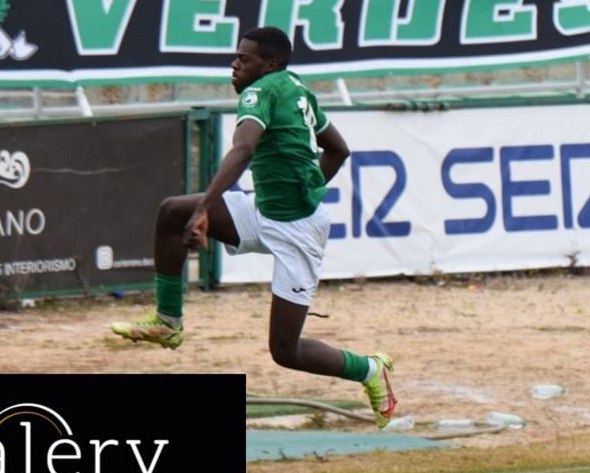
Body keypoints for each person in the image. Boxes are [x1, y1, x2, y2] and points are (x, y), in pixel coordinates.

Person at [110, 26, 398, 429]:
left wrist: (206, 209)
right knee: (172, 211)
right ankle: (168, 322)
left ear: (270, 63)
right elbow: (339, 150)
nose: (234, 64)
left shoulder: (259, 92)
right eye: (236, 56)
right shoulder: (296, 87)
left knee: (285, 350)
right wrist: (307, 187)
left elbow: (243, 149)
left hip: (297, 231)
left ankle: (368, 369)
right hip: (265, 210)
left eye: (243, 59)